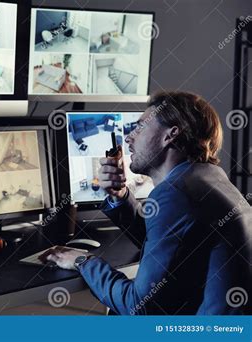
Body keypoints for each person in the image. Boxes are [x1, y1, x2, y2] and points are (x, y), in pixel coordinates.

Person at [44, 91, 251, 314]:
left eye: (140, 127)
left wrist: (84, 261)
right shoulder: (208, 178)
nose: (129, 137)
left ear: (170, 135)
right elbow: (171, 244)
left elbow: (140, 307)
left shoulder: (176, 193)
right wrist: (120, 195)